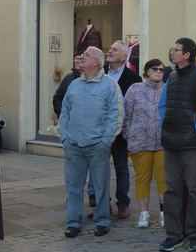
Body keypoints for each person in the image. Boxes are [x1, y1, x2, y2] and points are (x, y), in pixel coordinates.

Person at [158, 38, 196, 252]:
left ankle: (193, 233)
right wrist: (165, 123)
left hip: (192, 144)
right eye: (172, 48)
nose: (171, 52)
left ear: (187, 55)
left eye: (176, 50)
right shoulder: (171, 76)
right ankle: (173, 235)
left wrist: (195, 129)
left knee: (193, 190)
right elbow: (162, 105)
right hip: (171, 142)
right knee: (171, 189)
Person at [58, 46, 123, 238]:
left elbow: (116, 115)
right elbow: (65, 113)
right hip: (74, 145)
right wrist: (65, 137)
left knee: (101, 185)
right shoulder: (74, 84)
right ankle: (73, 222)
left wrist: (106, 141)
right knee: (73, 186)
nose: (81, 57)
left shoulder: (110, 85)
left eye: (86, 55)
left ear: (96, 61)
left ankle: (102, 220)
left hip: (97, 145)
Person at [99, 40, 142, 219]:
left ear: (124, 57)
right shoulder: (100, 74)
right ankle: (102, 204)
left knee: (122, 169)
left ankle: (123, 203)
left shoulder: (134, 78)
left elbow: (135, 107)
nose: (110, 51)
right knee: (99, 170)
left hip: (120, 132)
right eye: (110, 48)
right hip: (100, 131)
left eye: (114, 50)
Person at [123, 59, 167, 229]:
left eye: (162, 70)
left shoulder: (167, 89)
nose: (158, 72)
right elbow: (126, 114)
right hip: (140, 142)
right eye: (155, 69)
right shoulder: (135, 89)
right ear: (147, 71)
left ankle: (164, 213)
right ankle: (144, 213)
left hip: (163, 143)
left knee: (164, 179)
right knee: (142, 178)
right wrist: (129, 134)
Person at [53, 51, 84, 118]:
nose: (77, 61)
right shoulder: (68, 78)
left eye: (80, 59)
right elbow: (57, 98)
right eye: (76, 59)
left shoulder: (92, 79)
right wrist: (62, 114)